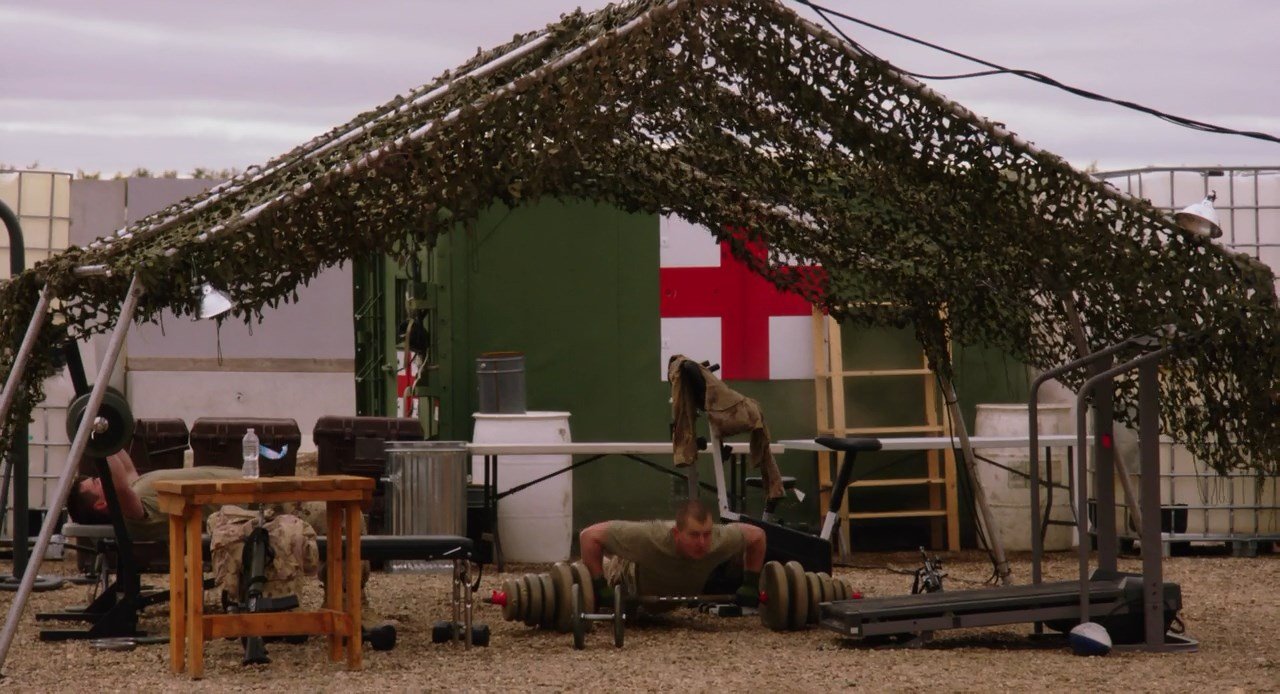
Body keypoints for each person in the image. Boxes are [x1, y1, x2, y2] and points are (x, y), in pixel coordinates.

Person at [578, 499, 766, 610]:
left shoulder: (718, 539)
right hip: (626, 577)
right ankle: (585, 569)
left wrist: (750, 584)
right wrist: (599, 586)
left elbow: (758, 536)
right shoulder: (651, 536)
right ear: (676, 534)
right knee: (598, 569)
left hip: (673, 587)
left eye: (706, 534)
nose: (702, 543)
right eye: (694, 535)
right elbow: (588, 536)